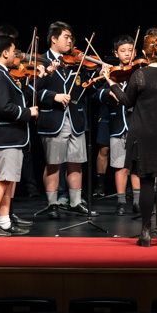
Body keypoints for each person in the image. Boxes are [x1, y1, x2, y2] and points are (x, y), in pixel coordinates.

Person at [103, 28, 157, 246]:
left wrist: (110, 82)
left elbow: (126, 101)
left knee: (146, 182)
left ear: (145, 51)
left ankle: (145, 232)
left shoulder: (139, 75)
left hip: (145, 134)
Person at [0, 35, 41, 236]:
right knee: (3, 179)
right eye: (14, 51)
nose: (16, 55)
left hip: (11, 135)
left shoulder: (2, 72)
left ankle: (4, 221)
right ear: (5, 52)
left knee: (9, 180)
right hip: (5, 134)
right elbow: (3, 107)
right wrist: (27, 112)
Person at [35, 21, 95, 217]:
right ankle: (52, 204)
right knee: (53, 163)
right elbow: (33, 91)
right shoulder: (41, 61)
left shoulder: (75, 62)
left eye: (71, 37)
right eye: (66, 37)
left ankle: (75, 202)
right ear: (54, 39)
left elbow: (83, 90)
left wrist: (94, 78)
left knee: (76, 162)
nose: (70, 41)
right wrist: (54, 96)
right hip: (53, 119)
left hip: (75, 119)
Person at [98, 34, 143, 215]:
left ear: (136, 52)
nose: (126, 54)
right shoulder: (111, 73)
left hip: (137, 125)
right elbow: (95, 93)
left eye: (130, 51)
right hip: (117, 125)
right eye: (122, 51)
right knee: (120, 165)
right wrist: (107, 87)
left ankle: (138, 202)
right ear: (116, 53)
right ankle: (121, 201)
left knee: (137, 166)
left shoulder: (139, 72)